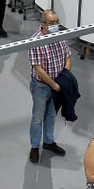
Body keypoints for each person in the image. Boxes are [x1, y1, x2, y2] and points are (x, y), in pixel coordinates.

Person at [28, 10, 71, 163]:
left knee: (51, 115)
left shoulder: (60, 36)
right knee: (37, 117)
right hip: (41, 86)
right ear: (43, 25)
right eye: (52, 23)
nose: (56, 26)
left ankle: (48, 142)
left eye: (57, 22)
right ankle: (34, 146)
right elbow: (38, 68)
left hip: (58, 84)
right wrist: (54, 85)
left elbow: (67, 57)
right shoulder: (36, 41)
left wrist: (65, 77)